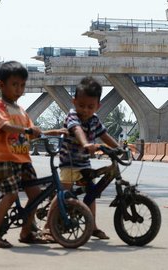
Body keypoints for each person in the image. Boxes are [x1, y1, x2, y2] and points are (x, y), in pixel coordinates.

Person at [0, 61, 66, 248]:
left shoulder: (21, 110)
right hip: (3, 159)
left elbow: (33, 130)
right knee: (11, 194)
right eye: (15, 84)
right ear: (1, 85)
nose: (19, 89)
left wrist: (54, 131)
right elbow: (4, 126)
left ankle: (26, 232)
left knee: (36, 195)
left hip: (22, 160)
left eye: (22, 85)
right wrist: (26, 131)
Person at [45, 76, 119, 240]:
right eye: (81, 105)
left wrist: (119, 148)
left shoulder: (95, 120)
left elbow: (105, 136)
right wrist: (86, 144)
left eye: (90, 106)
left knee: (91, 193)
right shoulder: (72, 117)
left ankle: (92, 226)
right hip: (69, 163)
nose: (85, 109)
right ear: (74, 102)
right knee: (63, 194)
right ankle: (48, 228)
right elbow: (77, 130)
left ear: (98, 106)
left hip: (84, 164)